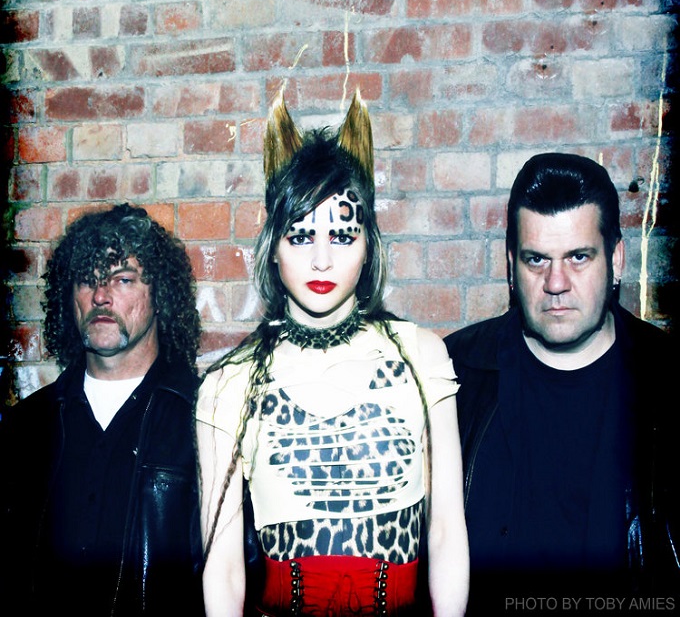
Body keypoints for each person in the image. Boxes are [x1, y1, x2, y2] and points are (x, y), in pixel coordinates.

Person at [196, 89, 469, 617]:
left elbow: (446, 534)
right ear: (273, 249)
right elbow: (223, 569)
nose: (321, 260)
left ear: (368, 246)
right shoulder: (230, 383)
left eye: (342, 236)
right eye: (300, 237)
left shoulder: (421, 358)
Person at [444, 153, 679, 613]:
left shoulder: (668, 380)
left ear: (616, 259)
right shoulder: (455, 376)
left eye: (578, 257)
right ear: (511, 266)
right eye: (536, 260)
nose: (556, 283)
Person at [0, 204, 206, 617]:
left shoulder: (202, 419)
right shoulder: (27, 426)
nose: (100, 296)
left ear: (159, 296)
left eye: (123, 279)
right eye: (87, 280)